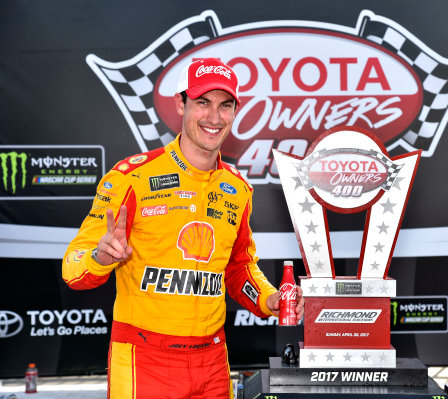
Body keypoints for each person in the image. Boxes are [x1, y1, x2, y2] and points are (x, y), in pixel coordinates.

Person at [62, 58, 304, 399]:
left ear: (236, 111)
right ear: (181, 104)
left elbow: (239, 269)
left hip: (213, 361)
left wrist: (269, 299)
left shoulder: (237, 188)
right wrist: (100, 257)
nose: (214, 117)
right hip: (145, 360)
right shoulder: (132, 178)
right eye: (202, 103)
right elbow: (73, 268)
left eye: (225, 105)